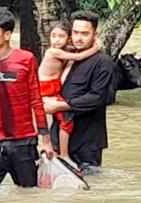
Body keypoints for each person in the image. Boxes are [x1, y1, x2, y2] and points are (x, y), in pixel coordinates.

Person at [0, 7, 54, 195]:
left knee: (29, 192)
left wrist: (45, 139)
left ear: (7, 35)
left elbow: (36, 100)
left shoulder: (25, 59)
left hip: (24, 142)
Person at [43, 11, 117, 169]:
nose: (79, 38)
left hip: (86, 143)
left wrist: (61, 105)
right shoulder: (66, 56)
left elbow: (99, 97)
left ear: (95, 34)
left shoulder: (102, 62)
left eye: (84, 33)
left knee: (89, 188)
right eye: (75, 33)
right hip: (58, 137)